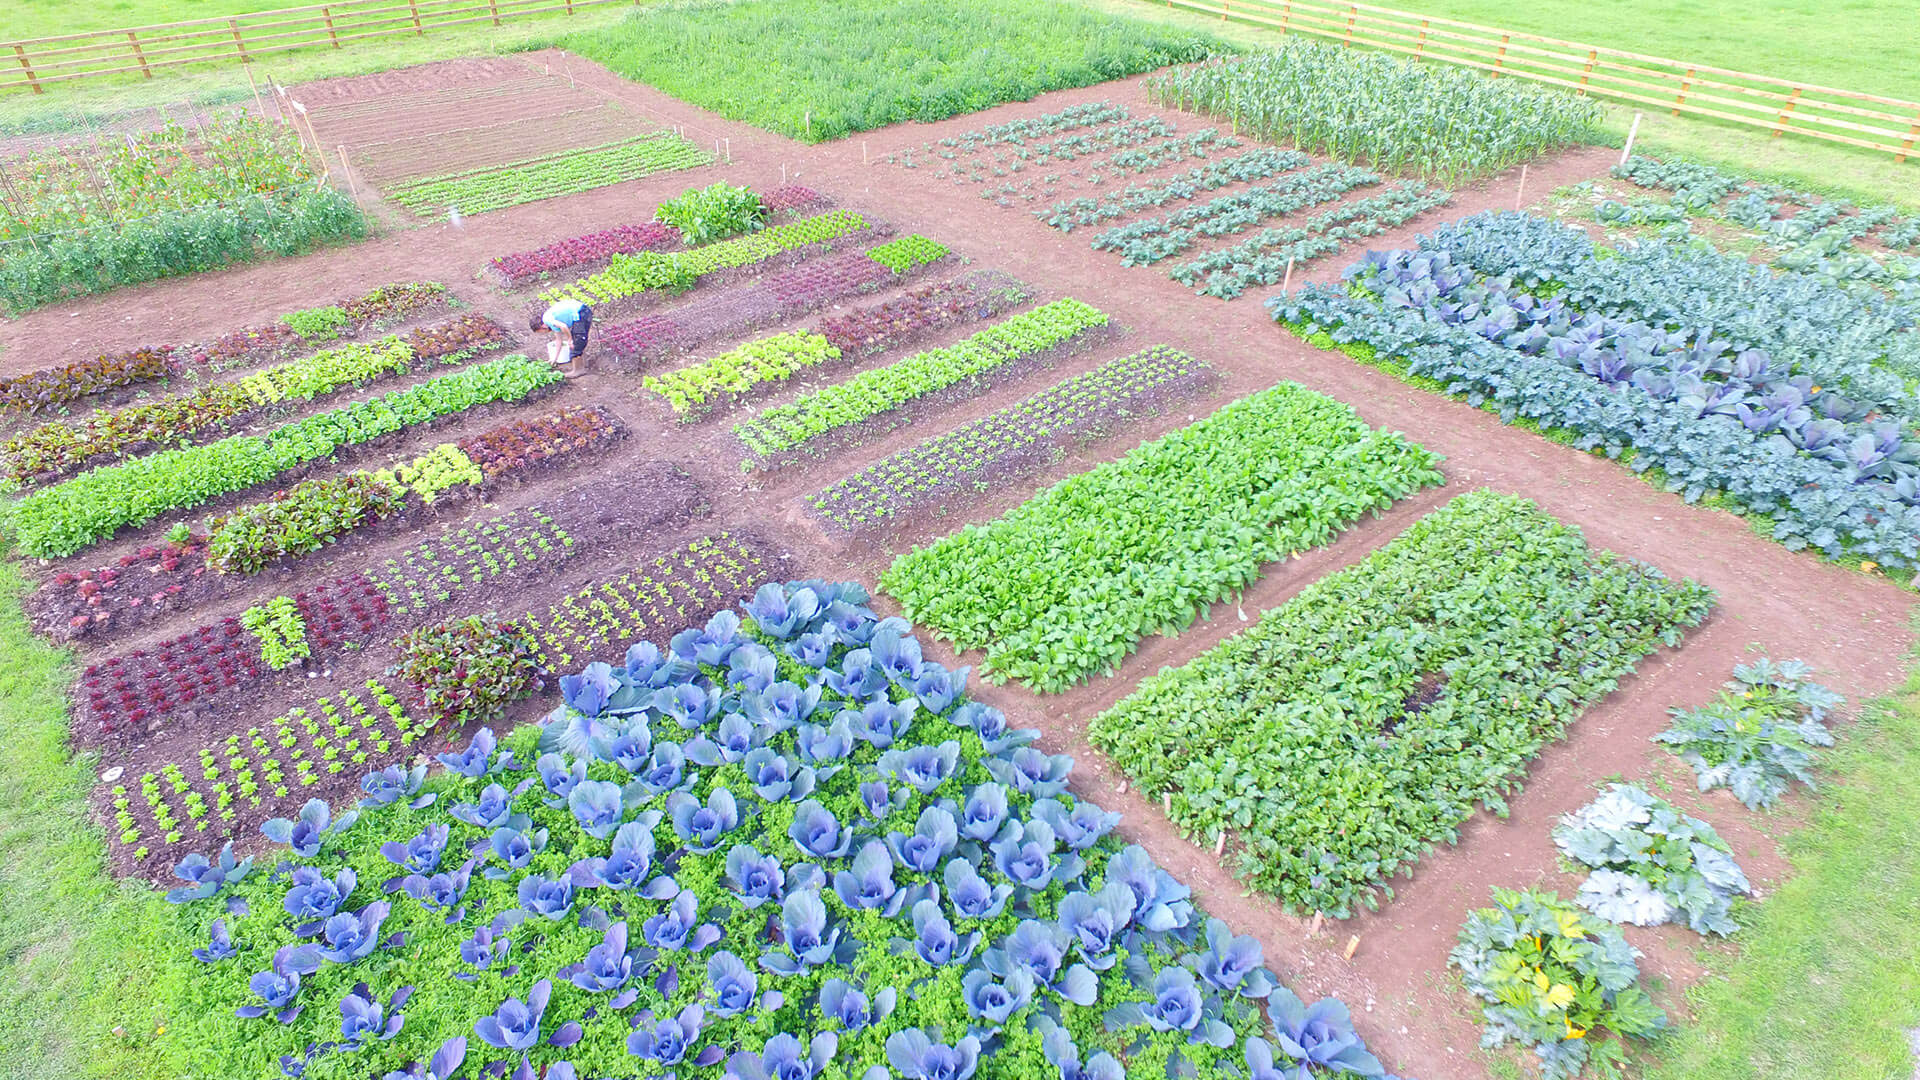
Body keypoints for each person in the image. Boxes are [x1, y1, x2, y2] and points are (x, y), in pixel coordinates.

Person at [531, 299, 592, 375]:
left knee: (576, 342)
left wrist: (569, 339)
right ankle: (583, 365)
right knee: (578, 340)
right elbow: (559, 340)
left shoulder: (547, 319)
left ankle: (578, 370)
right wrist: (554, 359)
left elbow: (564, 326)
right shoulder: (552, 323)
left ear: (542, 326)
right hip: (581, 312)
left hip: (581, 312)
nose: (543, 333)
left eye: (540, 332)